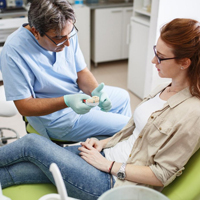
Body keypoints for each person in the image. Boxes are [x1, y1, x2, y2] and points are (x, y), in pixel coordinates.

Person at [1, 18, 200, 200]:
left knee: (32, 144)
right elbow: (135, 134)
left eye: (161, 57)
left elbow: (162, 174)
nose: (153, 60)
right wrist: (103, 144)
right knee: (23, 169)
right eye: (156, 51)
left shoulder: (193, 113)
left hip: (111, 183)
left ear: (184, 62)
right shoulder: (165, 87)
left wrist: (109, 166)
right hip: (104, 156)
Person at [0, 0, 131, 142]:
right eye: (58, 38)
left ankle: (114, 149)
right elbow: (24, 106)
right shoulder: (14, 51)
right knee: (127, 126)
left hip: (76, 95)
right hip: (55, 118)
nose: (67, 43)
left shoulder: (64, 31)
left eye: (70, 34)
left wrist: (95, 91)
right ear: (35, 32)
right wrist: (66, 101)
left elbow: (82, 71)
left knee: (123, 97)